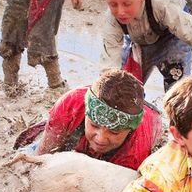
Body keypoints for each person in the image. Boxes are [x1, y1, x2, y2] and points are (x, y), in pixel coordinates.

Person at [29, 69, 162, 171]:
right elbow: (41, 157)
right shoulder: (70, 105)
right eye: (94, 125)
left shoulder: (136, 152)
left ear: (130, 131)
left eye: (114, 132)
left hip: (149, 119)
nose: (101, 139)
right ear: (87, 113)